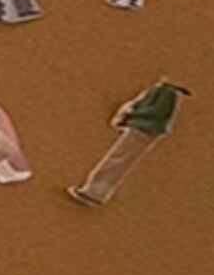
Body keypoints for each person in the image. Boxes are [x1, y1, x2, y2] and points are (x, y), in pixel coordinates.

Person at [68, 77, 191, 206]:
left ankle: (94, 192)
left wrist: (131, 116)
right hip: (143, 129)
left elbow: (151, 112)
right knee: (119, 158)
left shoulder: (165, 93)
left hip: (142, 129)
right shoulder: (165, 93)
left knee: (117, 158)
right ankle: (97, 191)